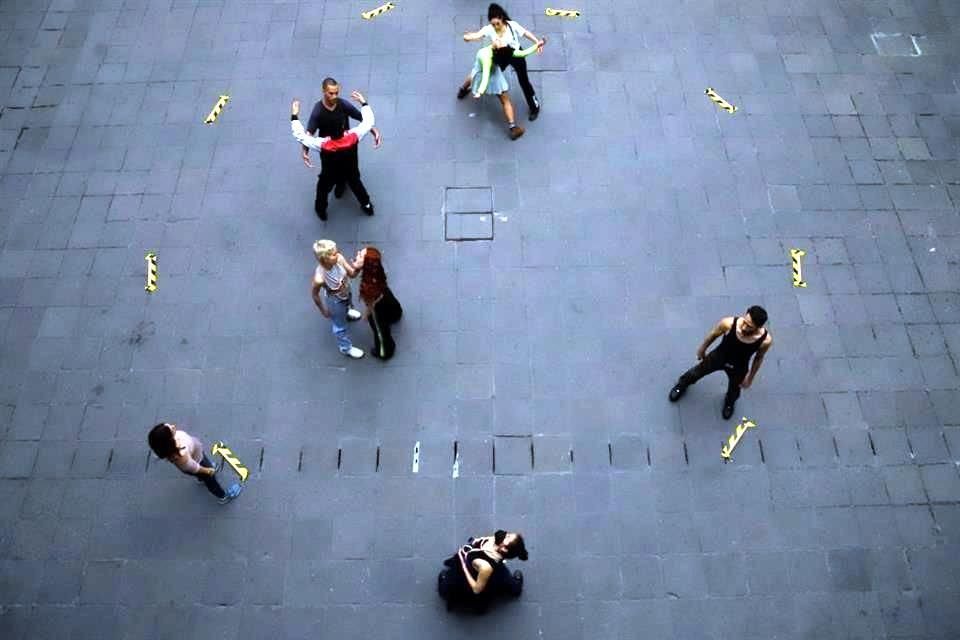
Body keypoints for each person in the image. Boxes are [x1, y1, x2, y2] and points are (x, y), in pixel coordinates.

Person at [668, 306, 774, 419]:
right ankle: (682, 384)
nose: (744, 326)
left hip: (739, 365)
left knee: (735, 388)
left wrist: (750, 378)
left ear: (759, 327)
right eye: (744, 321)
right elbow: (713, 334)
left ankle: (729, 403)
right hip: (719, 357)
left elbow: (758, 358)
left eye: (749, 326)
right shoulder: (728, 323)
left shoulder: (765, 341)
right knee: (696, 372)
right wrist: (702, 349)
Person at [457, 7, 539, 140]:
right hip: (499, 57)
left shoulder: (512, 26)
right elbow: (478, 35)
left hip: (514, 54)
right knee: (482, 73)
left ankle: (534, 107)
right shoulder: (489, 29)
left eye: (497, 24)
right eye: (493, 24)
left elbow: (525, 34)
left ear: (503, 19)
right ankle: (465, 89)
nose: (495, 26)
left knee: (523, 81)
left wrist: (536, 42)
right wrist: (468, 37)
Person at [301, 77, 381, 211]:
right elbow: (309, 133)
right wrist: (305, 150)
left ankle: (364, 202)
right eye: (331, 93)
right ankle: (323, 205)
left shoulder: (342, 104)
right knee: (326, 179)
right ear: (323, 91)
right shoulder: (318, 111)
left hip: (348, 148)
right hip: (329, 151)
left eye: (336, 93)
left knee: (354, 177)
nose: (334, 96)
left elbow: (361, 118)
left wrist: (372, 129)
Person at [147, 423, 242, 504]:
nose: (173, 426)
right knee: (210, 480)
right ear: (168, 441)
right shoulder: (181, 457)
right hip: (199, 462)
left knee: (202, 473)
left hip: (196, 456)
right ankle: (223, 496)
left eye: (168, 425)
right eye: (170, 429)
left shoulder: (171, 447)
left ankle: (201, 478)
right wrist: (208, 471)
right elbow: (194, 467)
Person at [438, 530, 528, 613]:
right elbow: (485, 540)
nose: (505, 534)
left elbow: (476, 590)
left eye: (507, 537)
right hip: (471, 562)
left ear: (504, 549)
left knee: (502, 576)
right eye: (508, 534)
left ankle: (516, 589)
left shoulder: (486, 567)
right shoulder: (498, 540)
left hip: (472, 573)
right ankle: (514, 588)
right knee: (503, 576)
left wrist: (464, 567)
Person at [311, 239, 366, 358]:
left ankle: (347, 312)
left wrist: (358, 267)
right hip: (335, 300)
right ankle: (345, 348)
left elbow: (352, 274)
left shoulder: (339, 259)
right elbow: (315, 294)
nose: (339, 253)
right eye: (334, 253)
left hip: (346, 291)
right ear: (324, 259)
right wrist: (323, 310)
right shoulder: (320, 277)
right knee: (339, 327)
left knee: (348, 304)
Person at [357, 246, 403, 360]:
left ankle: (385, 351)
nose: (357, 254)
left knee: (380, 329)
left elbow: (371, 304)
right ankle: (395, 314)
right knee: (390, 303)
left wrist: (367, 315)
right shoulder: (376, 272)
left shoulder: (367, 286)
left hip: (377, 308)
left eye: (360, 255)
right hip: (384, 293)